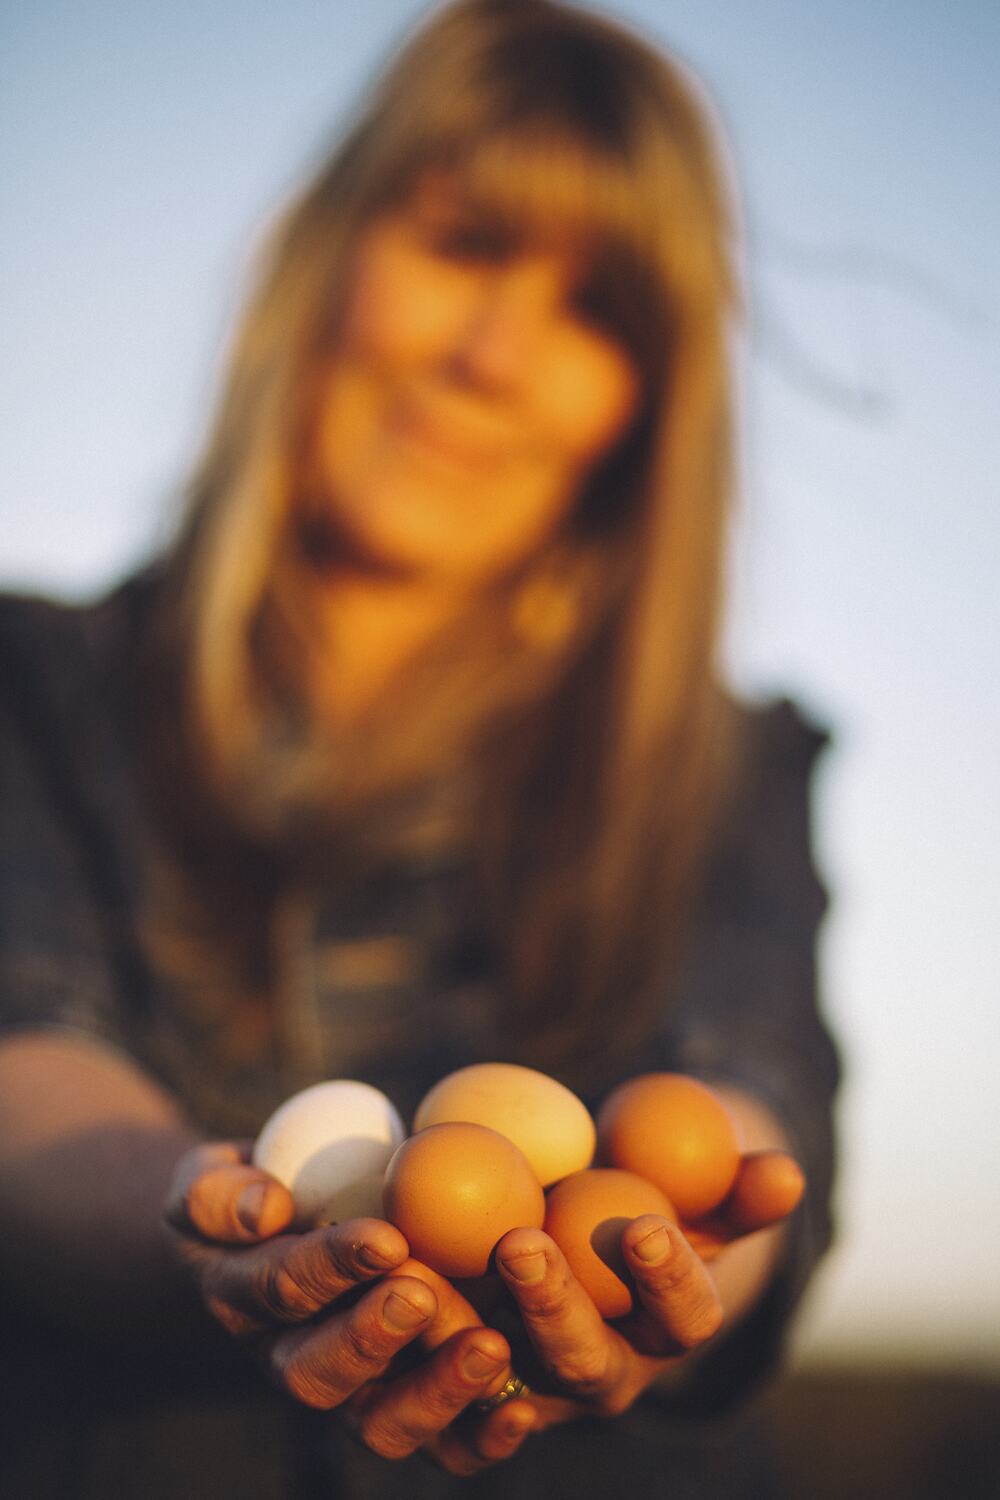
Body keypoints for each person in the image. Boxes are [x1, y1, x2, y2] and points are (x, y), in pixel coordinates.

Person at [0, 1, 839, 1495]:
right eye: (462, 245)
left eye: (596, 314)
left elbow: (744, 1083)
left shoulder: (720, 770)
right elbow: (25, 1052)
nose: (496, 358)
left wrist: (686, 1258)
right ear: (325, 257)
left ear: (643, 416)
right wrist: (213, 1220)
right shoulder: (37, 689)